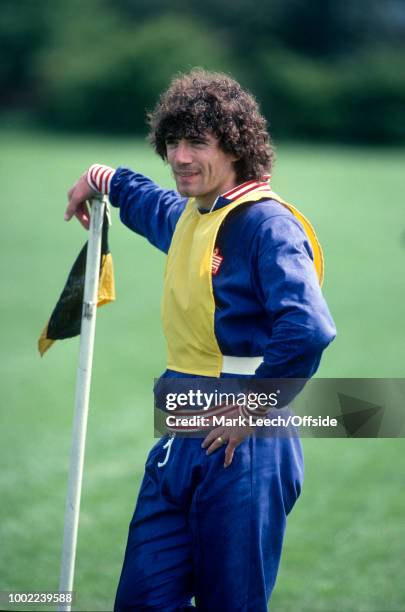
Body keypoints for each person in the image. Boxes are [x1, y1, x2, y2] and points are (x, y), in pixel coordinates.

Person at [65, 69, 336, 611]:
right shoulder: (192, 213)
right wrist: (99, 178)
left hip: (246, 439)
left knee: (229, 603)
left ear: (235, 147)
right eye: (172, 142)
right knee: (143, 598)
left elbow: (308, 328)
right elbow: (145, 201)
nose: (180, 157)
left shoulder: (267, 225)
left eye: (197, 143)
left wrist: (249, 410)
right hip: (180, 428)